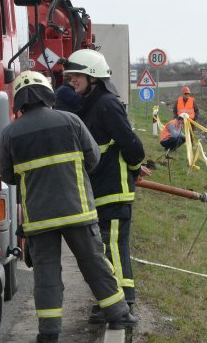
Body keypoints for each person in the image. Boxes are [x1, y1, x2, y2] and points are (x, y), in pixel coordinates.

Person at [0, 71, 138, 343]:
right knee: (94, 262)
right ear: (47, 93)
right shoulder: (71, 120)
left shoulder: (10, 134)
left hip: (39, 217)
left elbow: (7, 175)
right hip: (78, 210)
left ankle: (49, 332)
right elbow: (94, 157)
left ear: (20, 101)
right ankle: (119, 313)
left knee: (46, 271)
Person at [63, 49, 150, 320]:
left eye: (77, 75)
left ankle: (122, 305)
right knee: (111, 246)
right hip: (104, 189)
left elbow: (131, 145)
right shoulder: (91, 104)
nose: (71, 80)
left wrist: (135, 168)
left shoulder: (106, 104)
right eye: (70, 76)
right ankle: (116, 300)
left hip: (114, 189)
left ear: (93, 77)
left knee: (113, 245)